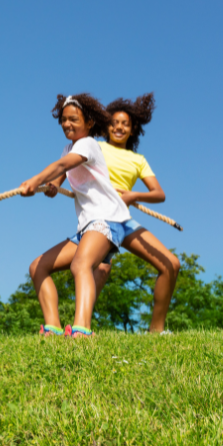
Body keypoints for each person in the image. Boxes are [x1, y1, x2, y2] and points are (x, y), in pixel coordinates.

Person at [21, 94, 147, 338]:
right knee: (38, 267)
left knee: (81, 265)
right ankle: (53, 329)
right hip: (87, 226)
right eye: (64, 120)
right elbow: (59, 175)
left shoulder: (88, 144)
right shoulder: (69, 148)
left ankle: (82, 330)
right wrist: (51, 186)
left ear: (89, 122)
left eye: (74, 119)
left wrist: (35, 179)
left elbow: (62, 165)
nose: (67, 124)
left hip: (108, 219)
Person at [84, 93, 179, 332]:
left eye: (125, 123)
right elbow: (72, 166)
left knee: (171, 264)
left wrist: (133, 195)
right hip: (100, 219)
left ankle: (156, 331)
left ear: (133, 129)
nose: (119, 127)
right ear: (106, 126)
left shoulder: (138, 160)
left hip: (124, 220)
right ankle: (80, 327)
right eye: (114, 122)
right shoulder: (97, 147)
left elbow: (159, 193)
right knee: (100, 270)